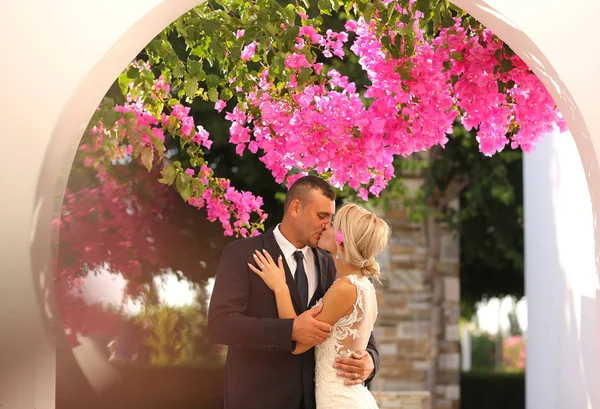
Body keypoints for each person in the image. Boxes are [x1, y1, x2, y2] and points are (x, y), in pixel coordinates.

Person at [207, 176, 380, 409]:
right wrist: (289, 331)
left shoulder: (333, 265)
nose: (327, 225)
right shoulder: (242, 254)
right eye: (321, 216)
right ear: (296, 208)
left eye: (331, 218)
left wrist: (371, 361)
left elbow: (359, 328)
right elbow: (220, 325)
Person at [249, 202, 390, 409]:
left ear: (342, 239)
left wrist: (280, 287)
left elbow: (297, 342)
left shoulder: (345, 288)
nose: (325, 226)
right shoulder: (364, 286)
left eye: (332, 224)